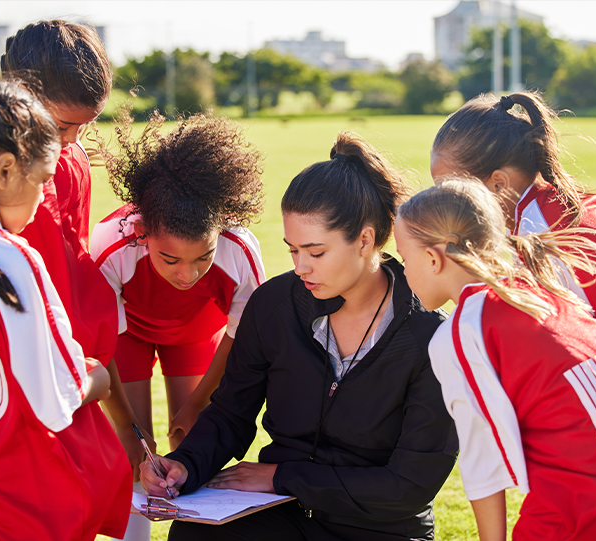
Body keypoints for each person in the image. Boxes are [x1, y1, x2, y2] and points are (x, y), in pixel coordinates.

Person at [140, 132, 458, 541]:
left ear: (364, 240)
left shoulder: (430, 336)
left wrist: (284, 477)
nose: (301, 267)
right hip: (284, 513)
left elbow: (408, 488)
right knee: (193, 535)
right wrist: (186, 463)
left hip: (379, 527)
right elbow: (231, 411)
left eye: (316, 252)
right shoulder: (275, 304)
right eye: (293, 251)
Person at [0, 79, 132, 541]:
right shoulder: (13, 256)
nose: (45, 198)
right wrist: (96, 380)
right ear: (6, 170)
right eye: (43, 182)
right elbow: (53, 401)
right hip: (25, 470)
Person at [394, 178, 596, 541]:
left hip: (580, 507)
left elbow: (482, 464)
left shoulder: (464, 330)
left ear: (433, 259)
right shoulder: (544, 292)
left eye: (403, 258)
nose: (402, 271)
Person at [0, 20, 156, 510]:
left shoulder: (70, 163)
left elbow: (74, 279)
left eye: (86, 126)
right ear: (17, 94)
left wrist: (118, 414)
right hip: (15, 378)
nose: (73, 140)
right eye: (63, 126)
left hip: (74, 370)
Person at [90, 110, 266, 537]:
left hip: (193, 334)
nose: (187, 275)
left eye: (202, 258)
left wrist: (198, 402)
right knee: (137, 447)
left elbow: (240, 339)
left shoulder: (239, 250)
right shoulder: (111, 245)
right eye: (170, 259)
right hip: (125, 336)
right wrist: (128, 428)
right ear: (144, 234)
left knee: (189, 441)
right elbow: (100, 344)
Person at [430, 91, 596, 387]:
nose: (443, 203)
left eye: (450, 190)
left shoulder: (540, 234)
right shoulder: (551, 204)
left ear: (498, 184)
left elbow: (556, 346)